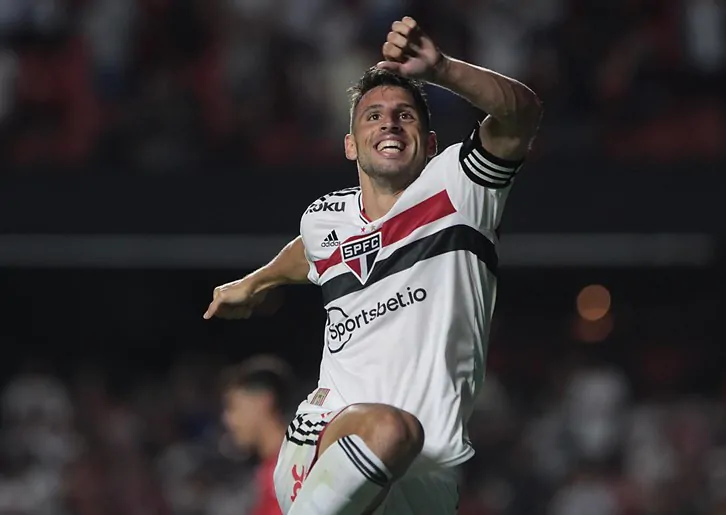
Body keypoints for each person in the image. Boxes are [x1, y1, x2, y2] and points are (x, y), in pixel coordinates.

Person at [205, 16, 542, 514]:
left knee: (400, 436)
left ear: (430, 145)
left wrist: (442, 69)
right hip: (329, 436)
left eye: (405, 115)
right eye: (373, 116)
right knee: (391, 430)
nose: (389, 123)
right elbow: (309, 250)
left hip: (429, 476)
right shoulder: (325, 216)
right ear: (350, 144)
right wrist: (256, 282)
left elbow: (523, 113)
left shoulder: (459, 190)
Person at [220, 355, 294, 515]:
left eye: (233, 407)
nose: (228, 420)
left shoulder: (296, 467)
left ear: (263, 402)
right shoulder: (266, 472)